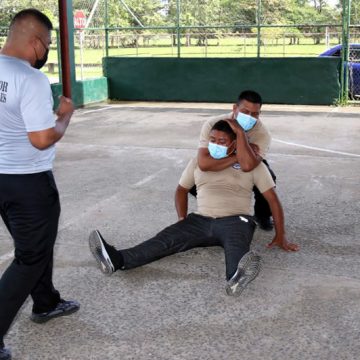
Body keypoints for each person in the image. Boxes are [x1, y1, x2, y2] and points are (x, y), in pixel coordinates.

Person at [88, 120, 299, 301]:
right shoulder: (198, 162)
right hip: (199, 220)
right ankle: (117, 260)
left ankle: (236, 277)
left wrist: (281, 235)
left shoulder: (252, 166)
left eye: (222, 141)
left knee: (237, 245)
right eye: (212, 140)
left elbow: (273, 200)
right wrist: (181, 218)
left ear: (234, 143)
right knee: (164, 240)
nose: (215, 144)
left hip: (236, 219)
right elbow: (181, 190)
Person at [0, 9, 79, 360]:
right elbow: (42, 138)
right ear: (34, 41)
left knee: (36, 242)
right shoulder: (29, 79)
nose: (45, 52)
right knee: (30, 256)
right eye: (46, 44)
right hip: (28, 182)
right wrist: (64, 117)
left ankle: (45, 302)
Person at [194, 90, 276, 231]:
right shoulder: (213, 124)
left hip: (248, 160)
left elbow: (248, 165)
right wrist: (239, 152)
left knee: (269, 177)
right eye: (245, 111)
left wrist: (239, 132)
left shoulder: (262, 133)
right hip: (221, 157)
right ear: (234, 108)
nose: (249, 117)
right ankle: (217, 203)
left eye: (255, 114)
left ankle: (263, 215)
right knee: (195, 176)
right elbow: (203, 162)